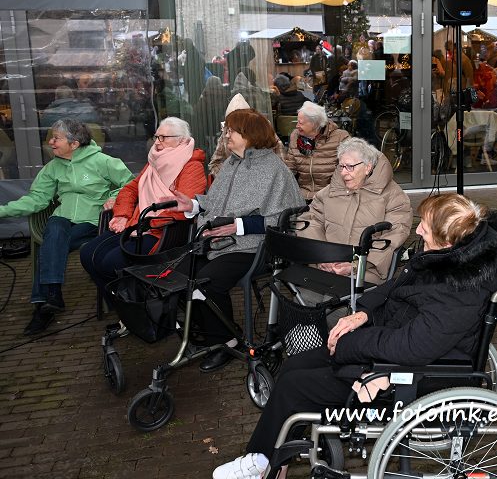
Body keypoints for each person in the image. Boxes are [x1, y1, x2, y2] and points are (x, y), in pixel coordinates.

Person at [211, 193, 497, 479]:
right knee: (294, 365)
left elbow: (412, 348)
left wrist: (350, 345)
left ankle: (261, 463)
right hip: (390, 349)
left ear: (447, 241)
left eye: (425, 228)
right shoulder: (449, 261)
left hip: (411, 378)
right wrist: (362, 314)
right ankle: (273, 460)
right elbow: (396, 288)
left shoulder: (459, 291)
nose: (417, 230)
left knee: (295, 387)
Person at [166, 109, 305, 372]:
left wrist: (239, 226)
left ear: (250, 135)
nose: (226, 135)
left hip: (256, 247)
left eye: (232, 130)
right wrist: (193, 205)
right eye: (226, 129)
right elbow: (216, 204)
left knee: (207, 282)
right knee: (179, 275)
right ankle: (206, 332)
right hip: (217, 242)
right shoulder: (231, 164)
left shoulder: (274, 170)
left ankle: (225, 342)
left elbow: (287, 219)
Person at [0, 119, 132, 335]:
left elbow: (130, 184)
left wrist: (113, 197)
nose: (50, 142)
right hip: (62, 218)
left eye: (56, 138)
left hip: (91, 222)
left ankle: (44, 305)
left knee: (51, 244)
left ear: (74, 143)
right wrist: (3, 210)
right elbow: (36, 199)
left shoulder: (103, 161)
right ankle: (52, 296)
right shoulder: (52, 168)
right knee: (54, 229)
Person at [79, 117, 206, 305]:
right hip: (137, 225)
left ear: (182, 140)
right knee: (87, 254)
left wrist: (149, 223)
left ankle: (135, 306)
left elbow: (184, 206)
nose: (157, 142)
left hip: (163, 233)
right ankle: (123, 306)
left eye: (164, 138)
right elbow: (129, 190)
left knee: (109, 263)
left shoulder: (192, 166)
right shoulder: (154, 161)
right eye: (156, 137)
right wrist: (122, 215)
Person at [299, 138, 412, 284]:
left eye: (350, 167)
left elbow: (394, 236)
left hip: (365, 272)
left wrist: (356, 265)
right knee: (302, 293)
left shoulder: (393, 196)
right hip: (324, 266)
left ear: (367, 168)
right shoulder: (330, 192)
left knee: (336, 296)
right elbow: (310, 220)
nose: (344, 173)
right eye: (341, 166)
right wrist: (321, 255)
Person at [284, 101, 350, 201]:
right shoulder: (296, 136)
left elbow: (346, 172)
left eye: (300, 123)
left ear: (315, 124)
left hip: (331, 196)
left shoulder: (341, 137)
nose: (297, 126)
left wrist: (327, 195)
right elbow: (290, 168)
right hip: (302, 196)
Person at [208, 94, 285, 177]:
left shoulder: (264, 132)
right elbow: (215, 163)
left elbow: (282, 167)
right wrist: (229, 176)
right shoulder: (226, 134)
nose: (227, 135)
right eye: (229, 129)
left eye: (233, 129)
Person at [192, 76, 229, 158]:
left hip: (207, 126)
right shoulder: (225, 94)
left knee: (209, 149)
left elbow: (198, 111)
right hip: (220, 125)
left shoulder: (205, 95)